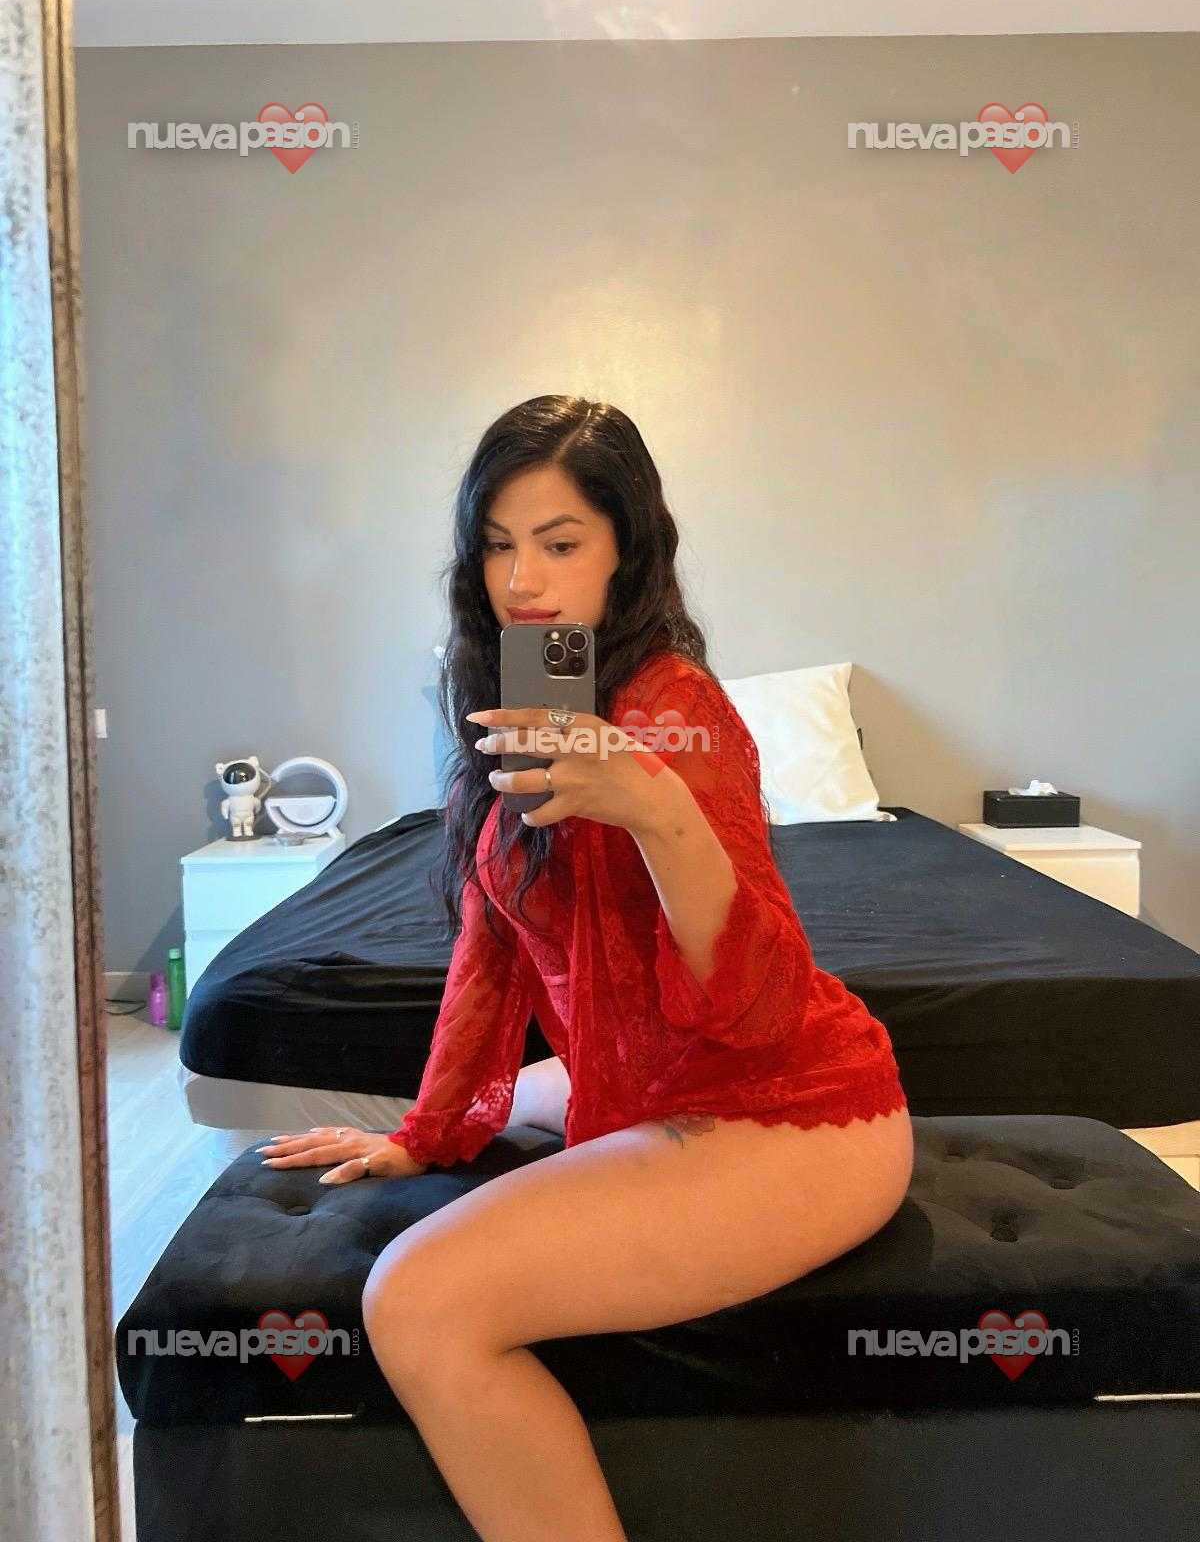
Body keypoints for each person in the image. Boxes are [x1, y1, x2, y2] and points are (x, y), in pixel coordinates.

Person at [258, 395, 914, 1542]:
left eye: (560, 543)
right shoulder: (513, 701)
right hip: (644, 1073)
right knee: (503, 1115)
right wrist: (428, 1130)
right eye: (498, 544)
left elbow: (757, 1006)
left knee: (415, 1299)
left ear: (626, 549)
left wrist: (655, 807)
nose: (524, 580)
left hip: (785, 1103)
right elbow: (491, 944)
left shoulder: (683, 713)